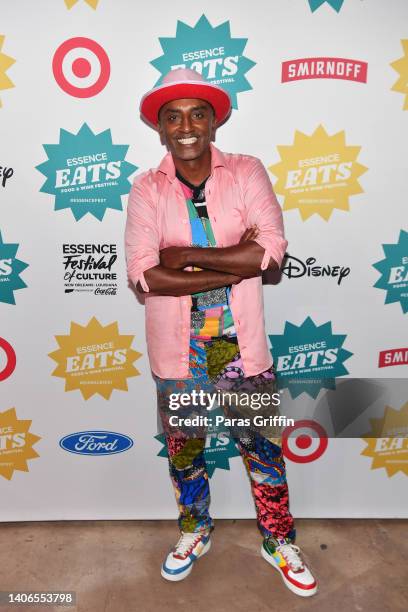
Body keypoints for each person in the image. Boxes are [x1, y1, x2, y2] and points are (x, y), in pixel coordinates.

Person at [125, 68, 317, 597]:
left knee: (263, 450)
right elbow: (145, 273)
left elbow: (271, 250)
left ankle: (278, 540)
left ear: (213, 120)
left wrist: (185, 258)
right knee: (186, 453)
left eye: (197, 113)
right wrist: (239, 266)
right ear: (160, 128)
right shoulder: (145, 189)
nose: (186, 126)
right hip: (178, 354)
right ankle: (194, 531)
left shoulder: (248, 172)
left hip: (242, 351)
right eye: (173, 116)